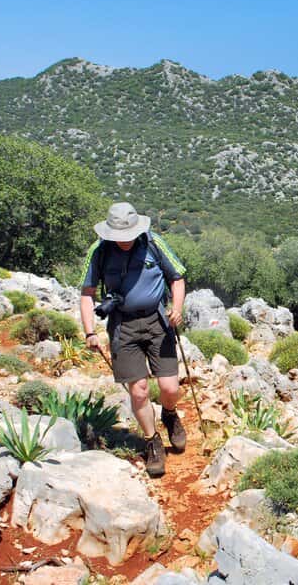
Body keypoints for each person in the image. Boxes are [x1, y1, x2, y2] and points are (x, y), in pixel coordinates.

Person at [80, 202, 187, 478]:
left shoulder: (153, 243)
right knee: (138, 390)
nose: (124, 240)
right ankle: (153, 443)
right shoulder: (99, 251)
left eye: (128, 234)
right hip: (122, 325)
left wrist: (177, 308)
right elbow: (87, 292)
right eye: (120, 236)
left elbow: (177, 277)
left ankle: (170, 414)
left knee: (169, 387)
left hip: (157, 321)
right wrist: (90, 331)